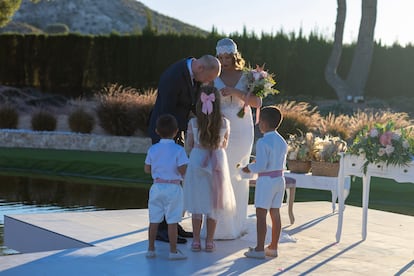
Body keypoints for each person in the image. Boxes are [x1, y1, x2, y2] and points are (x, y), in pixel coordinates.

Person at [147, 54, 221, 244]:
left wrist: (208, 122)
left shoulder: (193, 76)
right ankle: (162, 230)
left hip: (175, 131)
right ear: (201, 69)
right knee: (166, 181)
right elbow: (166, 110)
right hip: (163, 132)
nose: (208, 82)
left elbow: (192, 104)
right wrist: (171, 137)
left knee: (175, 181)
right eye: (208, 78)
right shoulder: (173, 76)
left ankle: (172, 224)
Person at [212, 38, 262, 239]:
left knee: (238, 173)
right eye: (221, 57)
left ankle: (237, 221)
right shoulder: (213, 75)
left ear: (235, 56)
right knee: (219, 172)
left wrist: (235, 92)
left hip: (242, 129)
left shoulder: (248, 76)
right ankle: (220, 224)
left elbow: (257, 102)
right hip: (220, 128)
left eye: (227, 57)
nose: (224, 61)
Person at [183, 86, 236, 252]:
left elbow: (188, 146)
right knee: (215, 200)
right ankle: (210, 241)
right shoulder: (225, 122)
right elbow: (225, 144)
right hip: (217, 161)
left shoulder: (193, 123)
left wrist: (199, 149)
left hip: (198, 159)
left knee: (197, 200)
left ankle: (196, 240)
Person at [241, 106, 287, 259]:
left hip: (266, 180)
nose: (258, 124)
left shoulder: (262, 142)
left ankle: (259, 249)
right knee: (275, 212)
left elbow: (261, 166)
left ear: (265, 124)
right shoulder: (282, 141)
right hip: (280, 180)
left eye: (260, 122)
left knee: (261, 214)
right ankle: (273, 247)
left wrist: (248, 167)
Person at [144, 114, 189, 260]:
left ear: (157, 131)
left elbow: (147, 169)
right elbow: (183, 170)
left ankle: (150, 249)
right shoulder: (178, 150)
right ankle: (173, 251)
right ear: (176, 131)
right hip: (173, 188)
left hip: (156, 187)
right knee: (172, 220)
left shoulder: (153, 149)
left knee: (154, 220)